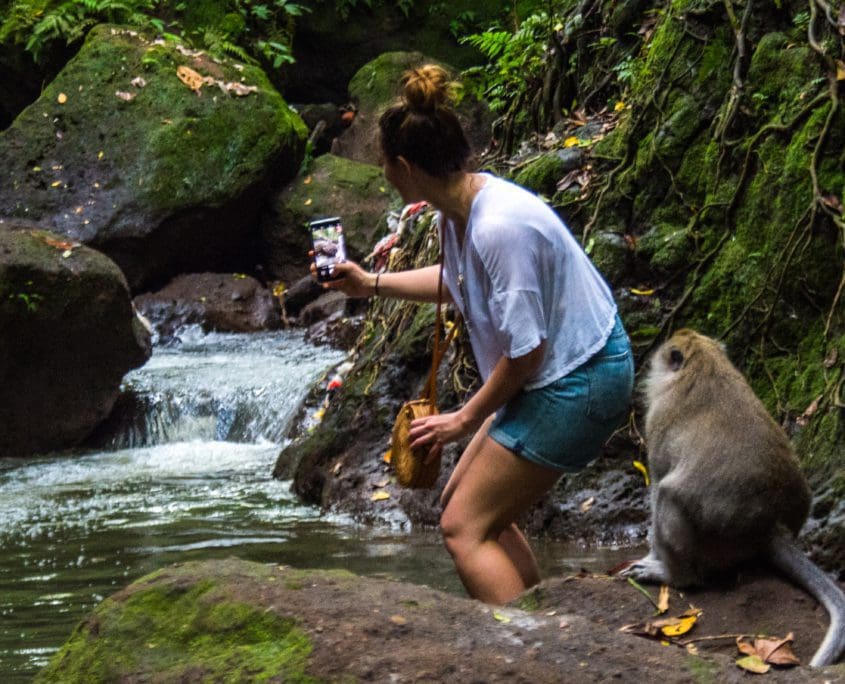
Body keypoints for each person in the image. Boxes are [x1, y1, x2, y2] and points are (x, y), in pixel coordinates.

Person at [320, 64, 634, 604]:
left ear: (404, 167)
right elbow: (455, 284)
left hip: (579, 378)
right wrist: (369, 283)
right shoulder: (458, 211)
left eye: (385, 168)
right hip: (551, 377)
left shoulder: (497, 226)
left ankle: (522, 650)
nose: (385, 177)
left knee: (463, 528)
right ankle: (537, 618)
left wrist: (466, 419)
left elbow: (528, 350)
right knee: (460, 509)